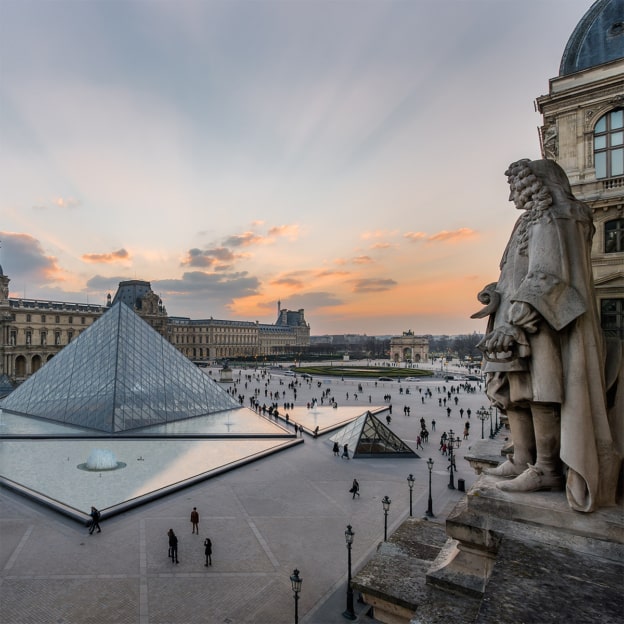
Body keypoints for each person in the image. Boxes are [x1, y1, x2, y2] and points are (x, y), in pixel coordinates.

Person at [474, 158, 620, 512]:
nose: (512, 198)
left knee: (543, 392)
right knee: (515, 390)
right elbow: (516, 274)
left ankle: (548, 468)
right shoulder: (530, 220)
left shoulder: (559, 217)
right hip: (515, 317)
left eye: (516, 189)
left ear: (535, 184)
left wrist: (515, 318)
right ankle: (524, 458)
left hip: (542, 320)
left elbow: (547, 275)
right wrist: (496, 295)